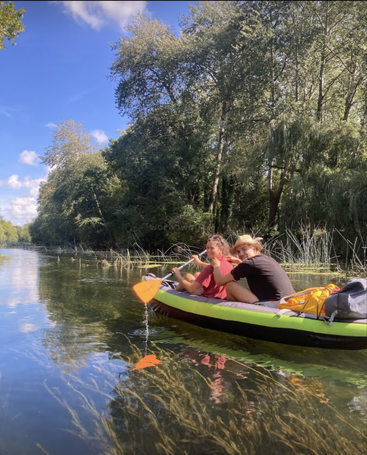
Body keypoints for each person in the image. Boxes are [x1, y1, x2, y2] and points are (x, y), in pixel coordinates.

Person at [212, 234, 295, 302]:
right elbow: (252, 268)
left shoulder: (249, 264)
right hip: (289, 302)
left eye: (244, 249)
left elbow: (220, 281)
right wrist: (238, 261)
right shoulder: (267, 259)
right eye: (238, 251)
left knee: (230, 285)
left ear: (255, 249)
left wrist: (216, 266)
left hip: (274, 305)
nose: (241, 254)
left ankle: (232, 313)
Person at [172, 235, 234, 299]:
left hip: (209, 296)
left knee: (187, 276)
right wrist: (199, 262)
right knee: (197, 274)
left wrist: (178, 275)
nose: (208, 250)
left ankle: (174, 293)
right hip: (221, 295)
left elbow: (191, 289)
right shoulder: (229, 263)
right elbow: (215, 267)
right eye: (207, 248)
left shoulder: (209, 268)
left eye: (212, 248)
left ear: (220, 249)